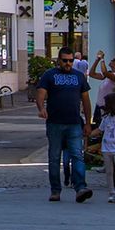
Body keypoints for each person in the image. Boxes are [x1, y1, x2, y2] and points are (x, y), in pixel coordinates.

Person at [36, 46, 93, 202]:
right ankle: (55, 190)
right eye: (65, 60)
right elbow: (40, 94)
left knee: (77, 156)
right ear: (58, 60)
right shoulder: (49, 75)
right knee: (54, 157)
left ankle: (81, 187)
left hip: (74, 122)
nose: (68, 63)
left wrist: (88, 123)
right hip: (55, 122)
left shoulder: (79, 77)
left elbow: (86, 101)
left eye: (70, 61)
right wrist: (41, 108)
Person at [89, 51, 115, 123]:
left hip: (107, 108)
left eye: (114, 60)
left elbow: (104, 72)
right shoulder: (110, 73)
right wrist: (97, 60)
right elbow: (91, 74)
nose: (111, 61)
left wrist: (102, 59)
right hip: (100, 106)